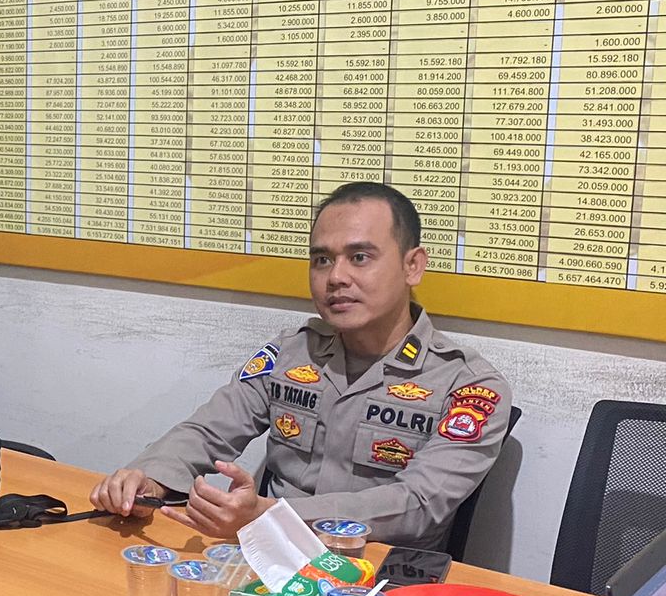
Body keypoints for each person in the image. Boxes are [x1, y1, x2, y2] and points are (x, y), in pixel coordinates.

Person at [91, 182, 512, 549]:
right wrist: (150, 477)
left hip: (382, 578)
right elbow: (210, 430)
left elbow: (418, 503)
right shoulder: (292, 353)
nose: (336, 277)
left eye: (360, 257)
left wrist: (272, 516)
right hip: (268, 557)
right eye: (322, 260)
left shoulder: (468, 385)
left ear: (412, 265)